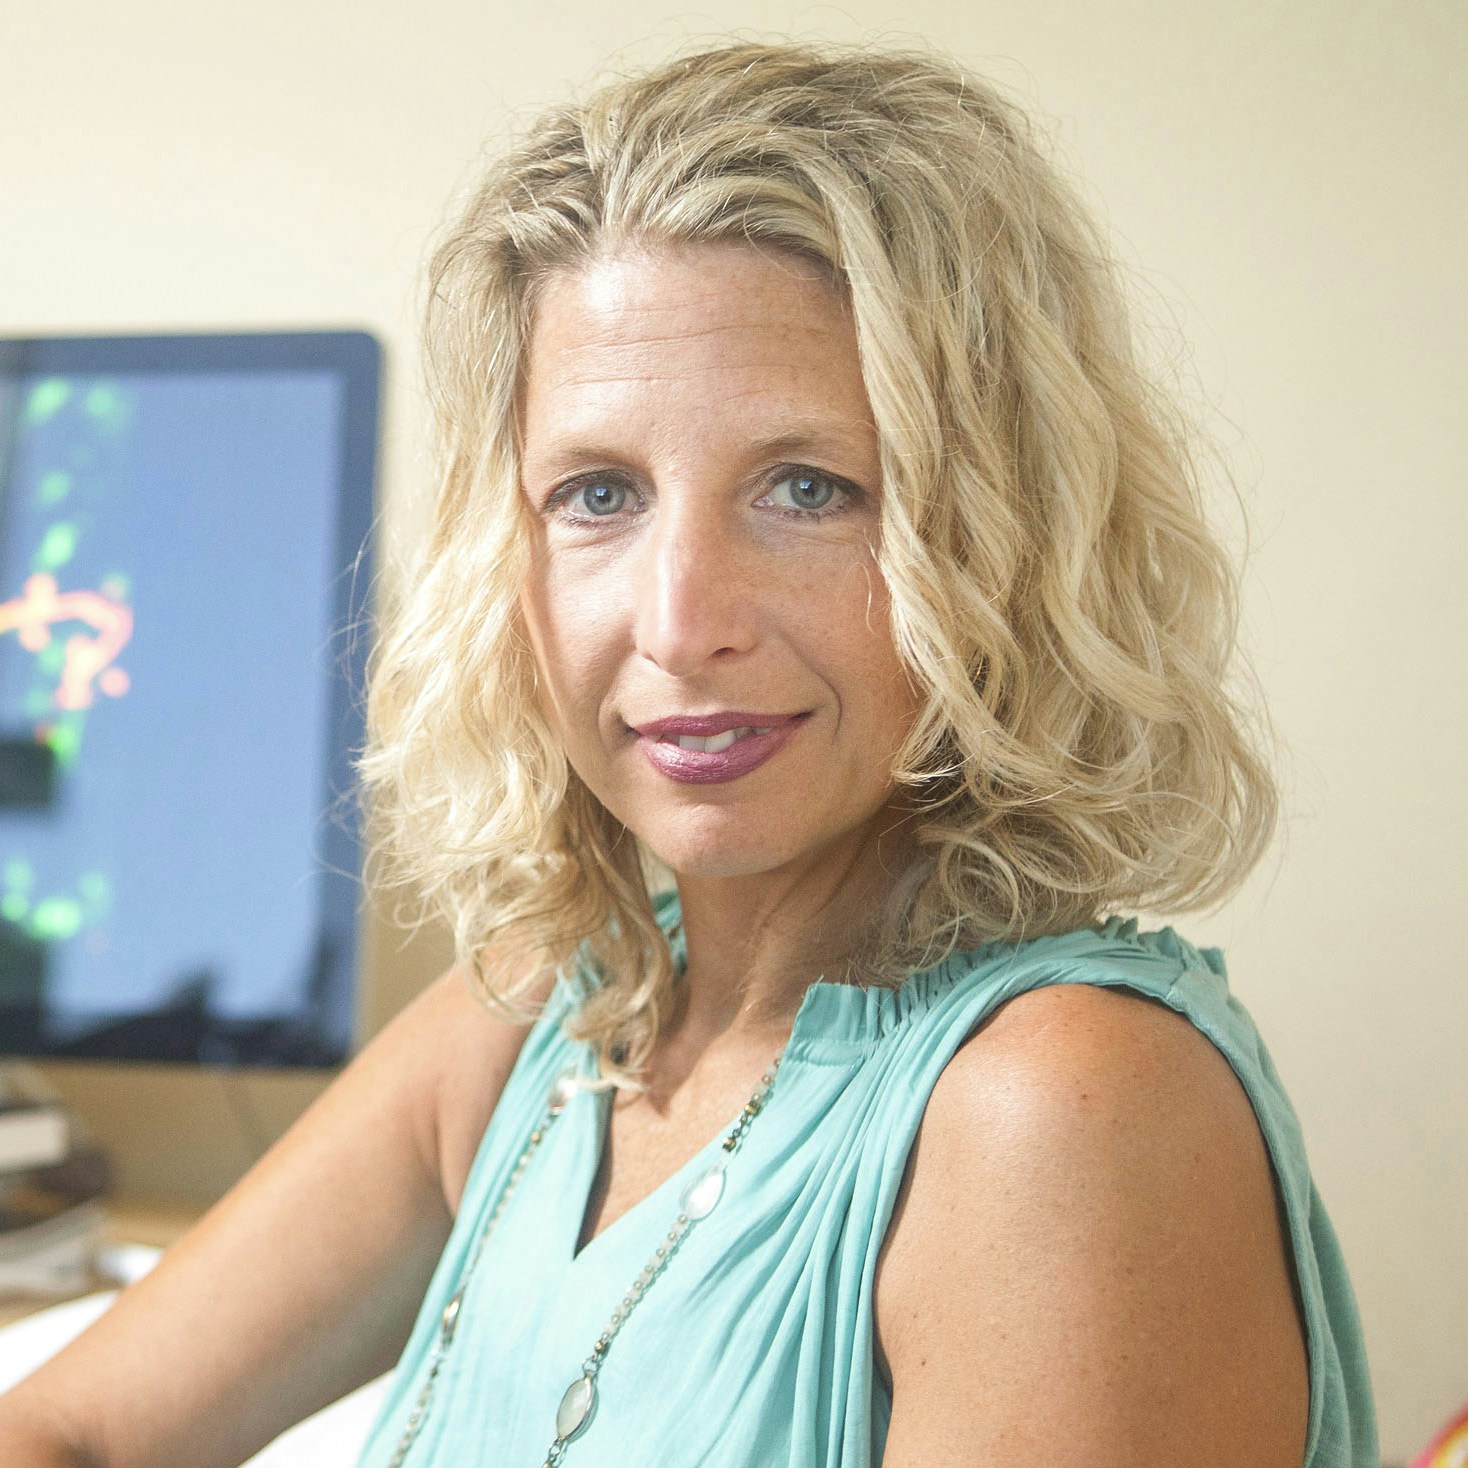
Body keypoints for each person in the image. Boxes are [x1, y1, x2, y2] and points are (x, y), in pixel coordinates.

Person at [0, 39, 1376, 1468]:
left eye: (808, 489)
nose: (680, 621)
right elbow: (72, 1433)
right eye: (598, 494)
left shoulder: (1063, 1116)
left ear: (1006, 541)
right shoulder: (561, 1019)